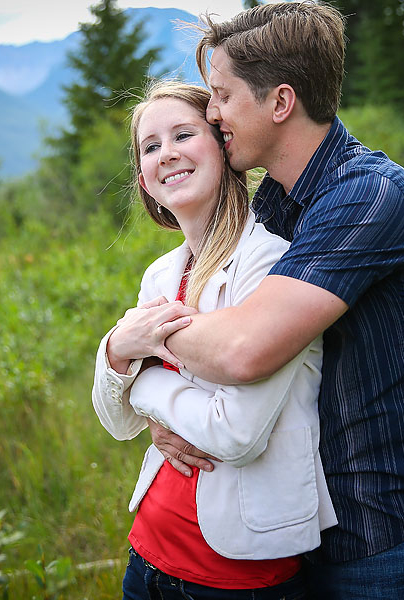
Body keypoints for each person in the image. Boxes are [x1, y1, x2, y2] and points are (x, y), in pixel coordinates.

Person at [109, 2, 404, 598]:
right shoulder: (280, 206)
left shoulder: (369, 197)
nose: (212, 112)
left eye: (223, 96)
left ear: (280, 103)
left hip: (393, 538)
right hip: (308, 538)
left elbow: (241, 352)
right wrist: (161, 405)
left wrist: (139, 346)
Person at [92, 80, 336, 599]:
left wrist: (146, 391)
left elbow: (235, 436)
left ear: (223, 148)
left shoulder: (269, 262)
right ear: (144, 179)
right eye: (151, 146)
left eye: (184, 133)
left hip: (236, 573)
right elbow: (117, 425)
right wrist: (117, 349)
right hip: (148, 551)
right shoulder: (160, 275)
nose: (167, 154)